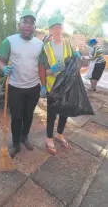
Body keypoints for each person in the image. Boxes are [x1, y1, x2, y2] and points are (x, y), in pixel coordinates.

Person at [0, 9, 47, 157]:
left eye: (31, 23)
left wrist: (43, 85)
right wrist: (3, 67)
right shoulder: (10, 40)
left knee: (29, 115)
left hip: (33, 88)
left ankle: (25, 137)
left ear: (34, 28)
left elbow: (42, 66)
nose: (28, 25)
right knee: (17, 117)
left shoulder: (39, 45)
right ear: (19, 24)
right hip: (15, 87)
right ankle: (16, 143)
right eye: (25, 22)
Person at [42, 16, 80, 155]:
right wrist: (50, 71)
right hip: (52, 87)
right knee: (52, 114)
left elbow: (72, 64)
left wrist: (77, 57)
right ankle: (49, 138)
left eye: (60, 26)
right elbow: (41, 71)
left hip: (66, 85)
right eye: (54, 27)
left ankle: (60, 134)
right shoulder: (45, 48)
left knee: (64, 111)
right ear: (50, 30)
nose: (58, 29)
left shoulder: (68, 44)